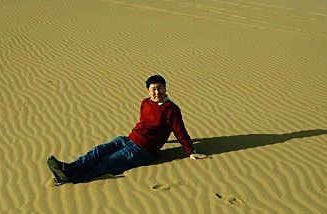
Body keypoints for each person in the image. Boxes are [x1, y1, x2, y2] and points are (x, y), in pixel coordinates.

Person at [47, 75, 207, 185]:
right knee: (99, 151)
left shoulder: (172, 109)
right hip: (128, 139)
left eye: (160, 88)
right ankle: (68, 169)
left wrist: (190, 151)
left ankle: (73, 178)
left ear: (165, 88)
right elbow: (146, 124)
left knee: (108, 162)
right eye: (153, 89)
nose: (157, 92)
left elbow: (180, 131)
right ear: (148, 91)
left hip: (143, 150)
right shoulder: (145, 102)